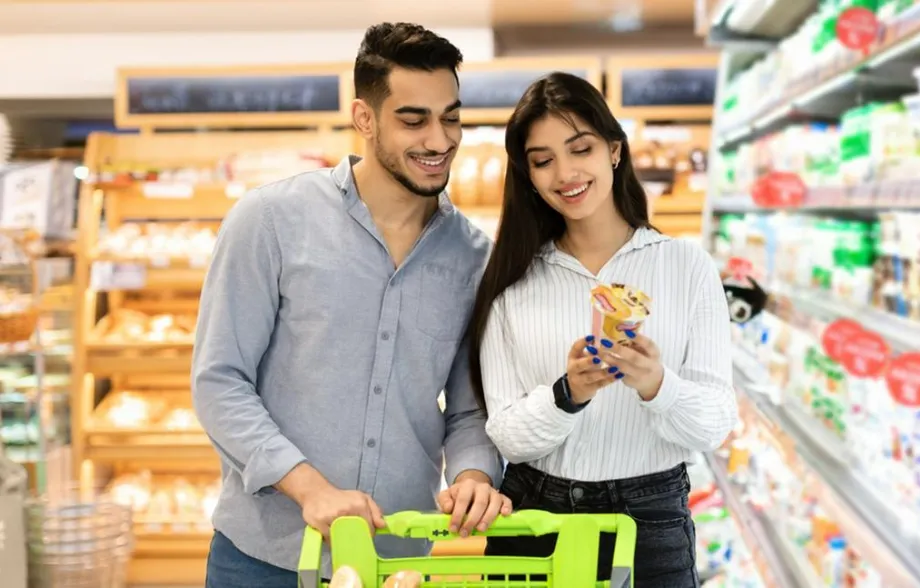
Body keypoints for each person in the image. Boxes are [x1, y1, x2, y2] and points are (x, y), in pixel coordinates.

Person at [192, 22, 510, 588]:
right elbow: (220, 381)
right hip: (265, 557)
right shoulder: (270, 222)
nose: (439, 140)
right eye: (413, 120)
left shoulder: (473, 258)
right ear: (364, 118)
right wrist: (309, 488)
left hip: (396, 559)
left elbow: (468, 409)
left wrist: (473, 476)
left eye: (451, 117)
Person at [465, 72, 738, 587]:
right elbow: (505, 434)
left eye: (580, 149)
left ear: (614, 150)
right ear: (528, 175)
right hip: (535, 515)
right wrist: (569, 393)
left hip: (649, 518)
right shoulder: (511, 281)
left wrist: (657, 385)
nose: (565, 173)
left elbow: (716, 423)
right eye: (543, 160)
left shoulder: (685, 266)